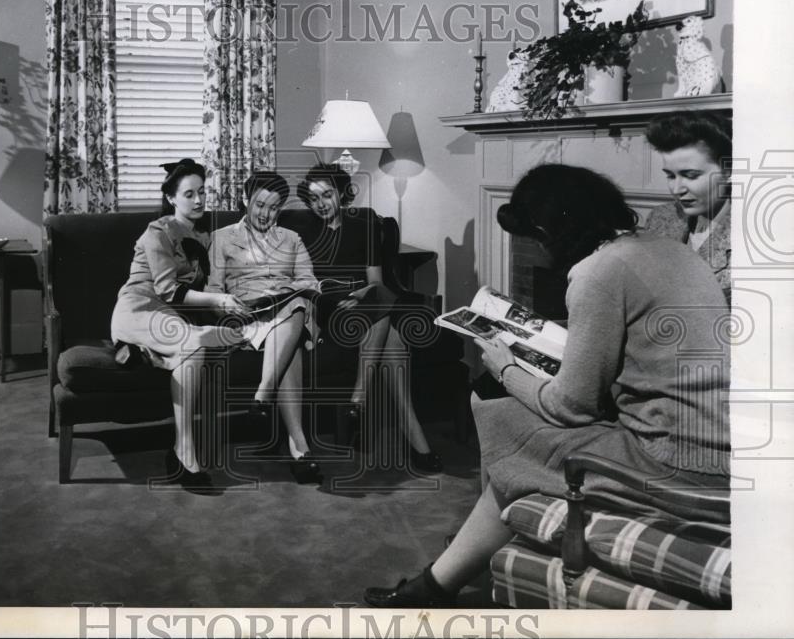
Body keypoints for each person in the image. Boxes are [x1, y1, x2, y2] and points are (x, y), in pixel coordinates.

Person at [364, 163, 730, 607]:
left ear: (551, 228)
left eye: (535, 237)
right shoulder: (672, 250)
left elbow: (570, 408)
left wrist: (504, 367)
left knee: (499, 408)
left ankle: (436, 583)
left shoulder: (597, 272)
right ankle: (440, 581)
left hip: (670, 463)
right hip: (720, 447)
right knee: (512, 417)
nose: (538, 249)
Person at [110, 159, 250, 493]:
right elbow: (168, 290)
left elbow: (211, 289)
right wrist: (219, 303)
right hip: (139, 307)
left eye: (202, 192)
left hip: (171, 318)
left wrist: (234, 308)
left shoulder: (203, 235)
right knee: (195, 343)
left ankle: (152, 355)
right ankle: (185, 452)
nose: (199, 200)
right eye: (189, 194)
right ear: (172, 198)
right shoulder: (159, 231)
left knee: (197, 343)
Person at [296, 163, 442, 472]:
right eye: (314, 199)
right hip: (330, 306)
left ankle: (363, 405)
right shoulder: (305, 232)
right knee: (391, 328)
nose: (321, 204)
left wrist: (362, 294)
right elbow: (306, 284)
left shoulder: (363, 226)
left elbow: (375, 281)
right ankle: (409, 435)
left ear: (342, 194)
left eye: (327, 195)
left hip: (364, 301)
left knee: (386, 314)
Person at [207, 171, 324, 485]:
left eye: (273, 207)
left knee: (295, 304)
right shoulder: (222, 237)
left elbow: (308, 283)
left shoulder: (291, 239)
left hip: (288, 310)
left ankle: (264, 396)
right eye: (259, 204)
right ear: (246, 200)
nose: (265, 213)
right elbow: (214, 288)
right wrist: (230, 305)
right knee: (292, 336)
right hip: (247, 314)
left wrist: (293, 295)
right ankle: (299, 448)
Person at [644, 110, 731, 303]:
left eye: (691, 176)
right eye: (670, 176)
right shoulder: (660, 218)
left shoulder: (750, 234)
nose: (676, 189)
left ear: (729, 170)